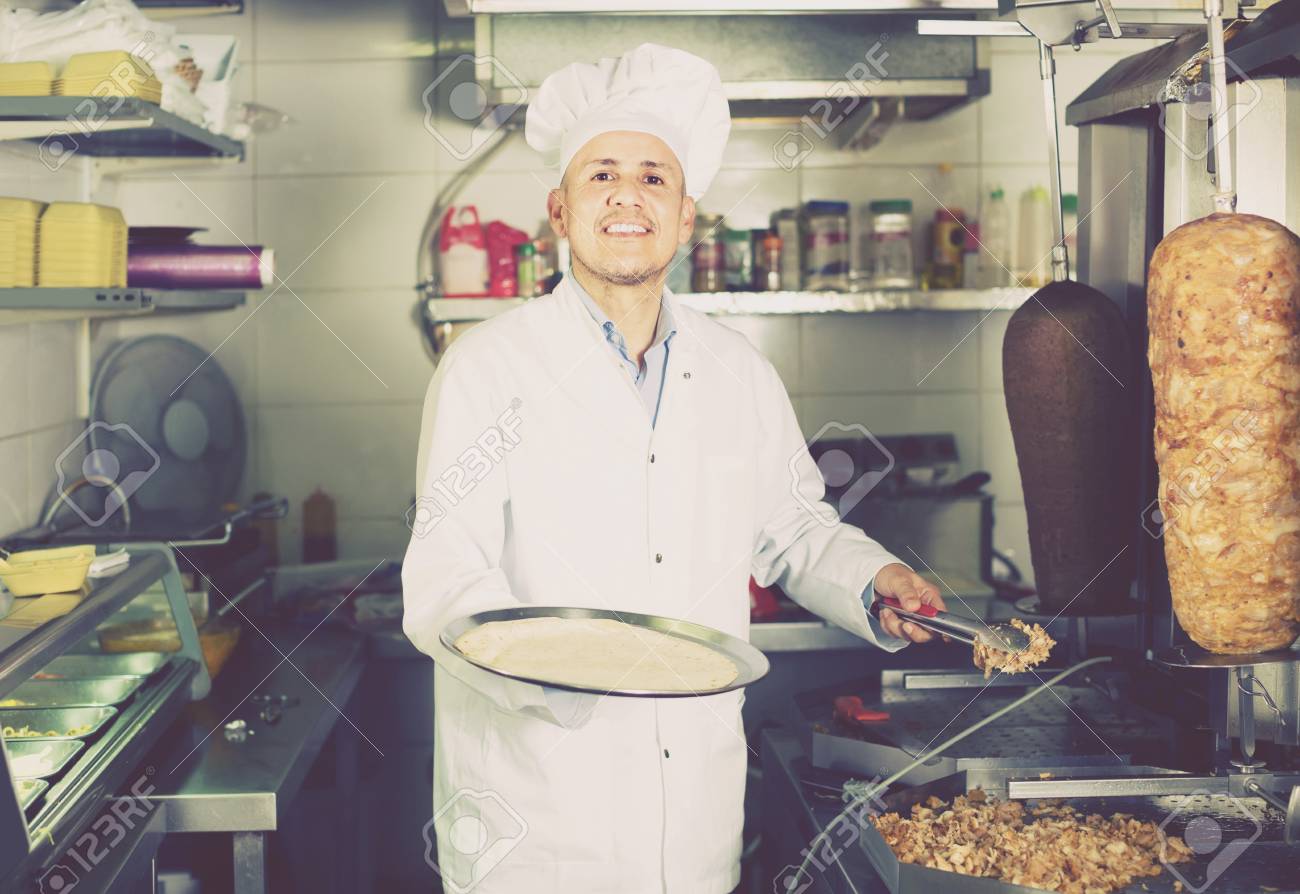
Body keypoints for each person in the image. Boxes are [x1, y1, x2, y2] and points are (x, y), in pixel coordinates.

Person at [402, 42, 946, 894]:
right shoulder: (487, 367)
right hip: (535, 819)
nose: (627, 194)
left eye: (654, 177)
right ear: (559, 208)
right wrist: (564, 670)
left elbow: (795, 530)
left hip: (692, 828)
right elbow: (443, 582)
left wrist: (875, 580)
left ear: (687, 217)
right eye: (601, 174)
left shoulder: (739, 373)